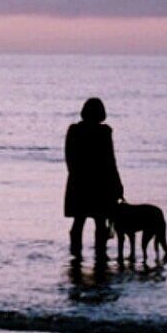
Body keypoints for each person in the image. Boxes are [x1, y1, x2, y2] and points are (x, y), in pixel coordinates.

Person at [64, 98, 123, 260]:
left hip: (79, 182)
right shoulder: (104, 132)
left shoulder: (74, 130)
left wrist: (75, 176)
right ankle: (100, 255)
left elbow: (69, 157)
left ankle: (76, 256)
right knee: (100, 222)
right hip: (100, 183)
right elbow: (111, 161)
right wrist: (117, 185)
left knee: (79, 221)